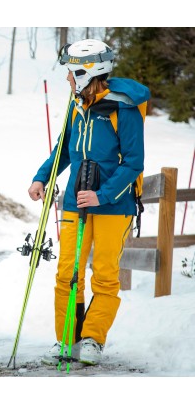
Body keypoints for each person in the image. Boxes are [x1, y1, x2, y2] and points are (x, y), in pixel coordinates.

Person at [28, 39, 150, 366]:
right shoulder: (76, 104)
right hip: (74, 202)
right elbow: (64, 150)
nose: (68, 79)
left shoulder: (123, 107)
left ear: (88, 72)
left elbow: (134, 163)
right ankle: (67, 339)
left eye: (72, 73)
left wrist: (103, 194)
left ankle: (93, 338)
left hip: (114, 205)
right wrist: (44, 177)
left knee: (106, 275)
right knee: (67, 272)